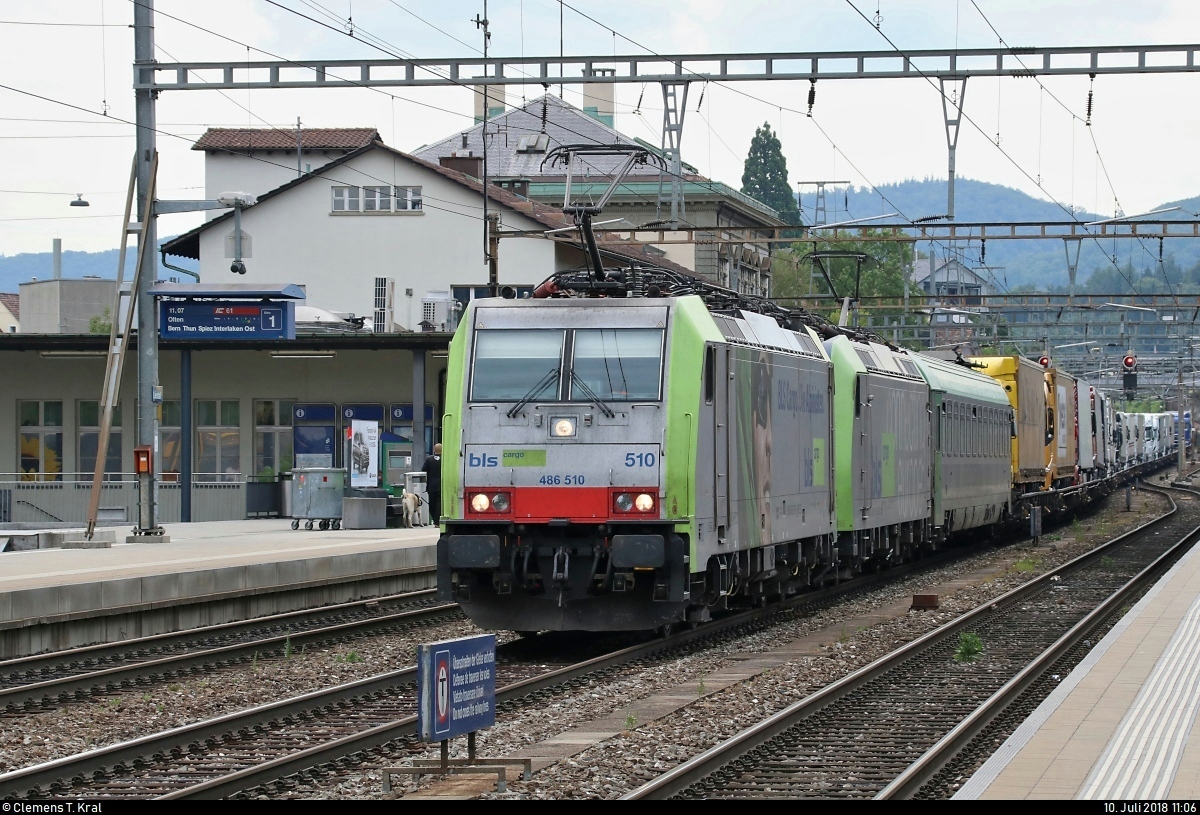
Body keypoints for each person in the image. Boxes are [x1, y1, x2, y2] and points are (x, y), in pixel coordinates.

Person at [423, 442, 442, 524]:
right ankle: (438, 521)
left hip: (431, 486)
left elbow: (424, 469)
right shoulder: (445, 459)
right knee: (439, 504)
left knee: (432, 504)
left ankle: (435, 520)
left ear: (434, 450)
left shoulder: (429, 459)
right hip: (442, 485)